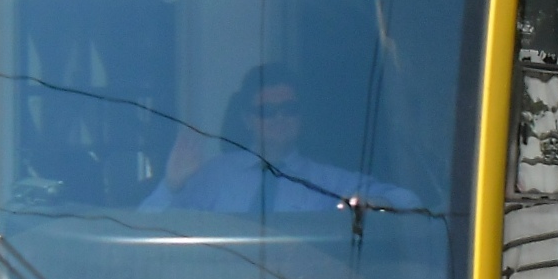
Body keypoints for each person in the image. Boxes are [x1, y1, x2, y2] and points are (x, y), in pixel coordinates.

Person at [140, 66, 423, 214]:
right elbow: (146, 225)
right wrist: (172, 185)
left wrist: (373, 202)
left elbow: (411, 202)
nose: (279, 118)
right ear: (248, 119)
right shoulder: (215, 175)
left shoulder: (328, 180)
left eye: (289, 109)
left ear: (302, 116)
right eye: (267, 111)